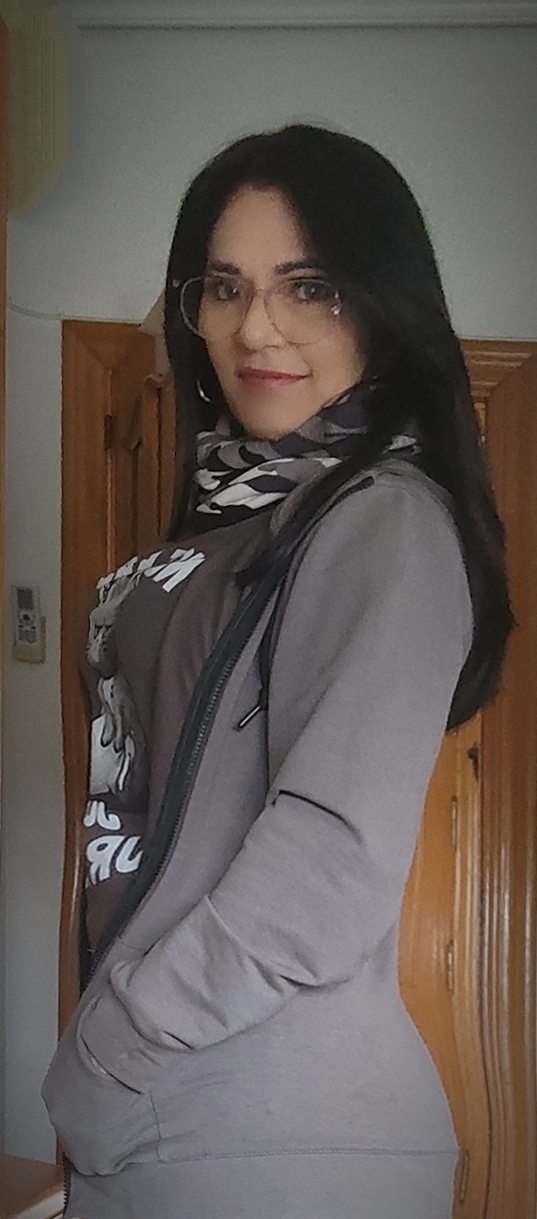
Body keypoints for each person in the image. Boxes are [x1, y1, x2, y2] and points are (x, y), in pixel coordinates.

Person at [42, 124, 512, 1219]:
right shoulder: (242, 515)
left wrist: (115, 1049)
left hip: (263, 1129)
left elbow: (330, 859)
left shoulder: (383, 517)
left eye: (309, 286)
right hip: (180, 1116)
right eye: (225, 287)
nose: (257, 326)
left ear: (381, 303)